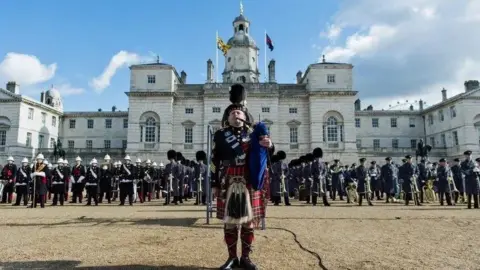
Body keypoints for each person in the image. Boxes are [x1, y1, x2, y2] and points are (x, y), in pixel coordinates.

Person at [211, 84, 274, 270]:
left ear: (246, 116)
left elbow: (266, 156)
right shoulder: (221, 135)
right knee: (230, 223)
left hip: (249, 183)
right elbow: (214, 161)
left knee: (249, 223)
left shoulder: (255, 135)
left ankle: (246, 257)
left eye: (239, 112)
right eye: (231, 113)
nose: (235, 114)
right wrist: (214, 183)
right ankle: (232, 258)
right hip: (228, 181)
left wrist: (270, 145)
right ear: (227, 118)